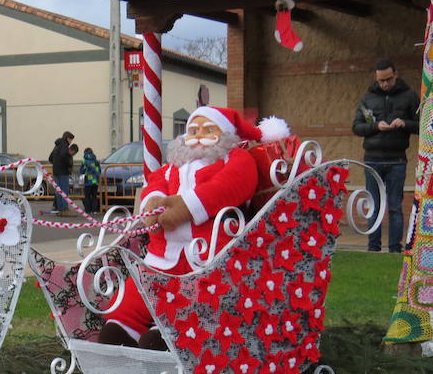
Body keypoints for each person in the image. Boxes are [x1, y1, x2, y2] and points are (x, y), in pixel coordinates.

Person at [97, 106, 289, 349]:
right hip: (163, 255)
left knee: (189, 300)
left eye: (209, 129)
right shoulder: (175, 166)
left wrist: (187, 207)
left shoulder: (235, 159)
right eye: (193, 130)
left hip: (207, 256)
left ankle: (168, 335)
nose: (199, 135)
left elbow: (231, 184)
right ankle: (123, 329)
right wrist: (152, 204)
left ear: (227, 134)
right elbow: (155, 182)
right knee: (132, 299)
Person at [351, 59, 420, 253]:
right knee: (374, 205)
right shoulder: (367, 98)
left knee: (395, 207)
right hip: (372, 160)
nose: (385, 84)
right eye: (381, 80)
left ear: (395, 75)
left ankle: (394, 249)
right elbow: (356, 127)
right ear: (376, 78)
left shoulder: (409, 96)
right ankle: (373, 248)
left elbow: (422, 124)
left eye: (388, 79)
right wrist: (375, 126)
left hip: (397, 159)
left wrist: (405, 123)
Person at [49, 131, 75, 213]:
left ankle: (59, 208)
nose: (71, 142)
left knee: (58, 191)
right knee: (64, 190)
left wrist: (56, 164)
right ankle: (64, 209)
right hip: (63, 172)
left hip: (55, 171)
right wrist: (69, 164)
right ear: (67, 138)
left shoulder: (56, 146)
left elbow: (50, 158)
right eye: (71, 139)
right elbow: (65, 157)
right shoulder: (64, 146)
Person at [79, 147, 102, 214]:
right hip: (95, 181)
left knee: (87, 196)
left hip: (87, 182)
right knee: (94, 196)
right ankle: (94, 210)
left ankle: (88, 210)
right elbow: (99, 171)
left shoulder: (84, 161)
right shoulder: (96, 161)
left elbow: (82, 171)